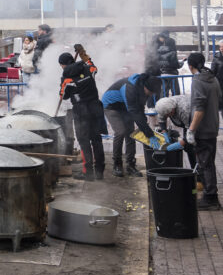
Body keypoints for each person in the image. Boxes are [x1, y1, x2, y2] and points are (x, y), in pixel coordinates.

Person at [101, 72, 161, 177]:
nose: (151, 95)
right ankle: (117, 164)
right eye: (151, 92)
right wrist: (149, 134)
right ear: (145, 86)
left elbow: (140, 109)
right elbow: (134, 111)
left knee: (131, 133)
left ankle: (131, 165)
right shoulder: (130, 88)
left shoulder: (144, 90)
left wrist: (145, 126)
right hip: (111, 106)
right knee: (121, 132)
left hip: (125, 107)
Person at [183, 52, 222, 210]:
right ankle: (211, 196)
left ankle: (210, 198)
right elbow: (219, 98)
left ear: (190, 66)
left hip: (203, 130)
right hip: (213, 126)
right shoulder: (213, 78)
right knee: (208, 163)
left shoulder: (198, 81)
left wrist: (191, 130)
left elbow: (199, 109)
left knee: (205, 164)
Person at [58, 51, 105, 180]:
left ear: (63, 65)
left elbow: (63, 95)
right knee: (97, 140)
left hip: (81, 110)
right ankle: (100, 171)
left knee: (84, 142)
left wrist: (68, 85)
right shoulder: (88, 68)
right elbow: (92, 64)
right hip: (95, 107)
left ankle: (88, 173)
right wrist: (83, 52)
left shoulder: (66, 77)